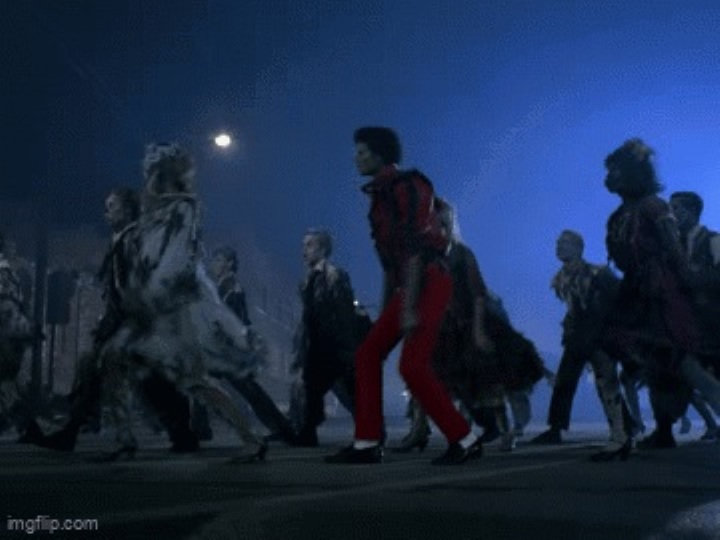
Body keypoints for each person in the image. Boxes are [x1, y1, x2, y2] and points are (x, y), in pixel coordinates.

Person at [326, 127, 482, 465]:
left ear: (379, 154)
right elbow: (391, 261)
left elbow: (416, 250)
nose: (356, 158)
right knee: (368, 354)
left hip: (428, 280)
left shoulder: (408, 185)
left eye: (362, 152)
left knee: (412, 365)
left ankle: (464, 438)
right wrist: (390, 309)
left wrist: (408, 306)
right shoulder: (381, 193)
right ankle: (367, 442)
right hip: (410, 283)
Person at [602, 138, 720, 450]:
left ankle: (659, 429)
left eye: (615, 170)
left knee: (681, 363)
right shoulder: (622, 214)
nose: (609, 177)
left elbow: (676, 253)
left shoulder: (653, 206)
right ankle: (661, 430)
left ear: (632, 172)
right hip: (636, 292)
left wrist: (689, 289)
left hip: (661, 294)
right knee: (656, 365)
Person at [531, 230, 632, 459]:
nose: (559, 246)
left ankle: (622, 435)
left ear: (578, 248)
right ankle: (558, 428)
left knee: (606, 382)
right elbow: (574, 308)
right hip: (579, 336)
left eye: (565, 243)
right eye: (558, 243)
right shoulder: (561, 278)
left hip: (600, 334)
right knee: (567, 380)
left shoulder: (598, 273)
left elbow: (619, 300)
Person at [207, 245, 296, 444]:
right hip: (227, 350)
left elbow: (232, 319)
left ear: (229, 263)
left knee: (249, 391)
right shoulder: (224, 286)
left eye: (218, 260)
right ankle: (281, 428)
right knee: (246, 391)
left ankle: (281, 428)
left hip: (229, 352)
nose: (213, 264)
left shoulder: (230, 287)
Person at [290, 230, 359, 446]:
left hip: (333, 345)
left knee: (347, 391)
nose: (304, 251)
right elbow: (307, 316)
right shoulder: (307, 280)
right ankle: (307, 432)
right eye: (304, 245)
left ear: (322, 249)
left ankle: (372, 429)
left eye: (309, 245)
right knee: (312, 388)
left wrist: (347, 347)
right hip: (316, 345)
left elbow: (344, 313)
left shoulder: (334, 276)